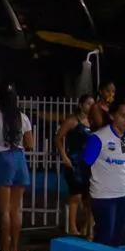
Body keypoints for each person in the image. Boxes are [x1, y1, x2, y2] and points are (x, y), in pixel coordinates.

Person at [83, 98, 125, 247]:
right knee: (104, 236)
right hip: (103, 196)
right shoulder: (98, 138)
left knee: (117, 238)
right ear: (112, 116)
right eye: (123, 115)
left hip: (124, 195)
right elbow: (85, 164)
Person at [0, 84, 33, 251]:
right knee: (16, 210)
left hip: (3, 158)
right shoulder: (23, 118)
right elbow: (30, 144)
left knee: (3, 211)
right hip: (20, 159)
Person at [55, 95, 94, 237]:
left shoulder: (93, 122)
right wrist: (65, 157)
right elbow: (58, 138)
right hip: (74, 162)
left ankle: (86, 227)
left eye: (92, 104)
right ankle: (72, 227)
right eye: (88, 104)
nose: (91, 107)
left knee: (89, 197)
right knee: (75, 195)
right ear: (81, 104)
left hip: (88, 164)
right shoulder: (73, 120)